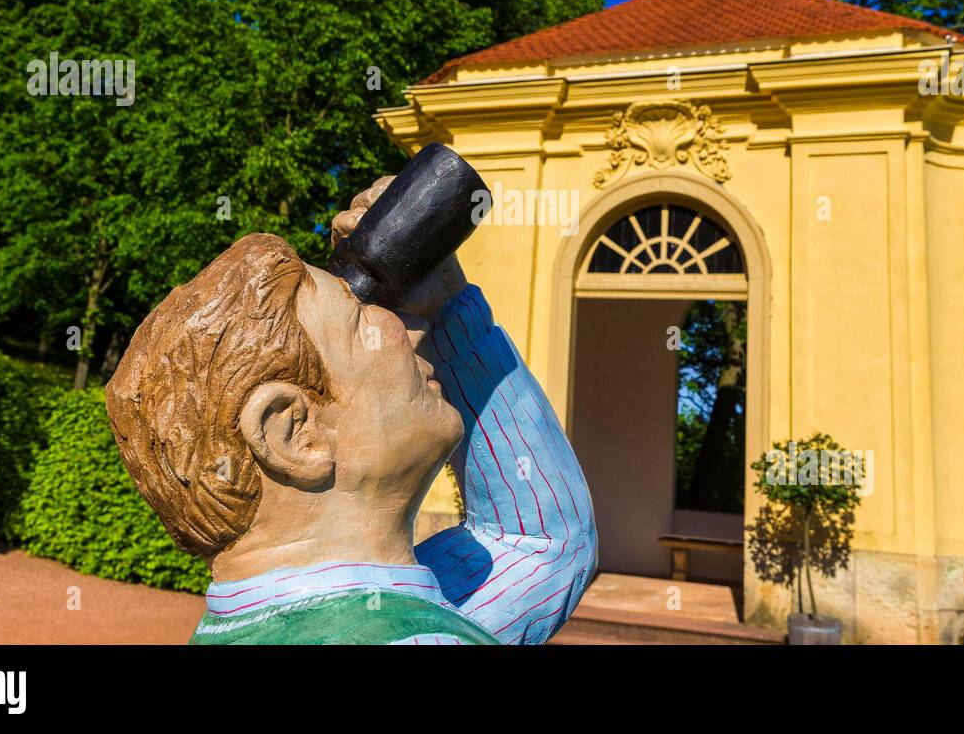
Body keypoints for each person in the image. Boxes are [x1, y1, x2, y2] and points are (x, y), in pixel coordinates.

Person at [105, 176, 597, 644]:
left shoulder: (349, 612)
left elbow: (533, 544)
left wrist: (448, 305)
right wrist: (450, 313)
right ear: (291, 433)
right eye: (359, 323)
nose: (415, 332)